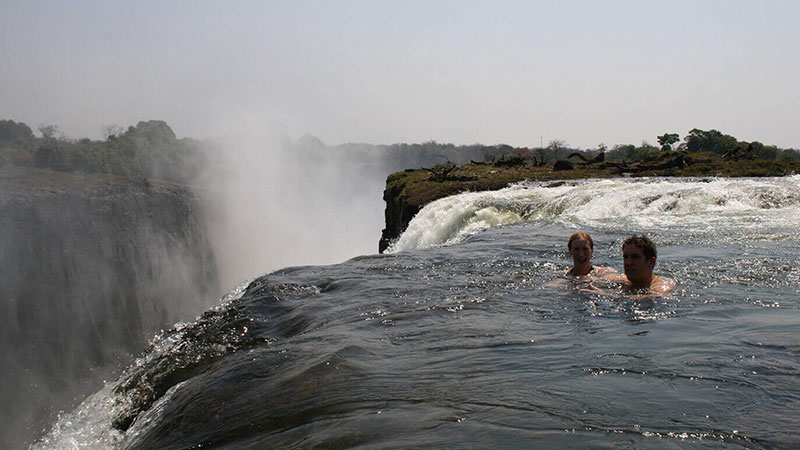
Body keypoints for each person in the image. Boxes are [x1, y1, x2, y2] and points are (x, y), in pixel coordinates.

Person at [601, 235, 675, 295]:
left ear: (651, 262)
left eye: (635, 257)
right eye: (625, 257)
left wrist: (606, 295)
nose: (628, 262)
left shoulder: (662, 284)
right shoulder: (620, 280)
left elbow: (655, 296)